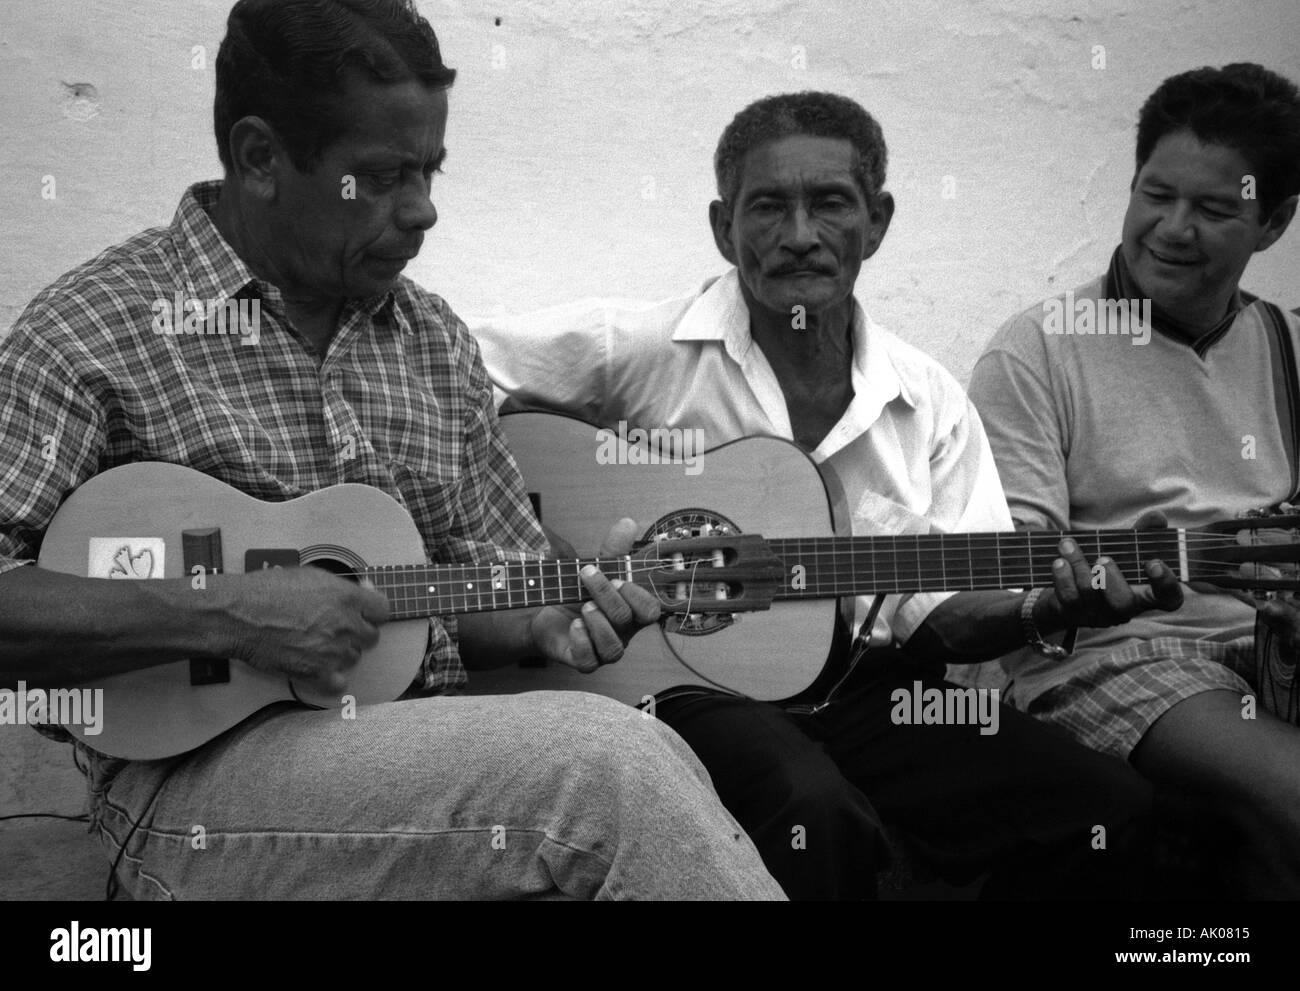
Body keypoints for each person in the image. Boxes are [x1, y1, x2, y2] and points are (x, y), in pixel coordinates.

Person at [0, 0, 787, 901]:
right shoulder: (96, 327)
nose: (421, 212)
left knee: (677, 764)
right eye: (378, 177)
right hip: (192, 788)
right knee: (608, 771)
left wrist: (547, 618)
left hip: (412, 747)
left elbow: (485, 583)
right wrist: (227, 612)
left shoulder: (430, 337)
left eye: (428, 170)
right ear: (260, 158)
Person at [473, 91, 1178, 899]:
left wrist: (1046, 610)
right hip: (668, 682)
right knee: (811, 809)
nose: (800, 236)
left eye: (830, 205)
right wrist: (551, 552)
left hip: (857, 689)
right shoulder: (642, 347)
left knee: (1105, 807)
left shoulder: (927, 400)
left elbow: (944, 612)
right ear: (721, 226)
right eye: (768, 206)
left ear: (876, 222)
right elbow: (446, 365)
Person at [967, 63, 1300, 897]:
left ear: (1276, 223)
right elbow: (1019, 570)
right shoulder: (1038, 347)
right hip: (1115, 657)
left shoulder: (1285, 345)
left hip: (1272, 653)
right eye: (1156, 194)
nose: (1173, 228)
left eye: (1215, 209)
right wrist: (1071, 592)